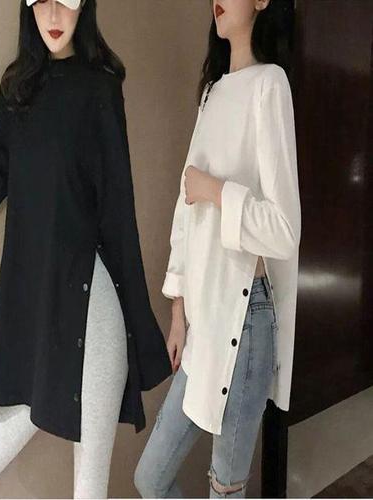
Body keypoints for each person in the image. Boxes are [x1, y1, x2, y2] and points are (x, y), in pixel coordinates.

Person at [0, 0, 171, 498]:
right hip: (35, 318)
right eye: (43, 2)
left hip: (91, 314)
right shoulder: (18, 93)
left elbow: (119, 217)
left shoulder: (100, 89)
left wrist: (141, 330)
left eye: (66, 2)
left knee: (89, 490)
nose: (54, 16)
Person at [134, 0, 300, 497]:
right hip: (204, 321)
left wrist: (216, 191)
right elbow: (185, 212)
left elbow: (284, 229)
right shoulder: (213, 93)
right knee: (150, 477)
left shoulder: (270, 84)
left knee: (225, 490)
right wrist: (178, 312)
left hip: (245, 322)